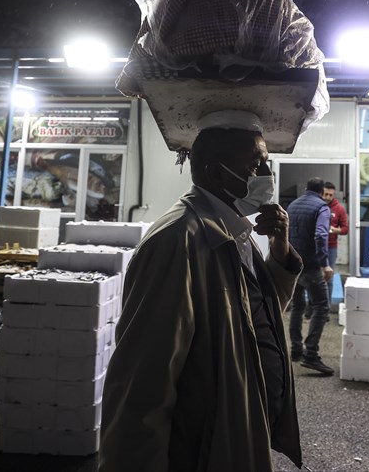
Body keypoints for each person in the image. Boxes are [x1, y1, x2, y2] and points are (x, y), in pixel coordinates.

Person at [100, 117, 303, 472]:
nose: (267, 174)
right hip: (202, 451)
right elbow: (142, 382)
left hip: (236, 430)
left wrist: (280, 248)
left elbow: (256, 317)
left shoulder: (234, 229)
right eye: (256, 164)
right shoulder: (177, 241)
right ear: (216, 173)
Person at [287, 177, 334, 375]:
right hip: (312, 266)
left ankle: (296, 350)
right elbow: (321, 235)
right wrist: (325, 264)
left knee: (297, 306)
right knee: (321, 306)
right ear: (322, 191)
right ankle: (311, 354)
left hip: (293, 263)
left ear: (306, 188)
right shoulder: (322, 207)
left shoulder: (292, 205)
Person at [323, 181, 348, 304]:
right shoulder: (318, 206)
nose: (328, 197)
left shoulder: (339, 209)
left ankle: (325, 308)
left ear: (334, 195)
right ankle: (313, 307)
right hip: (315, 247)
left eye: (330, 195)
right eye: (325, 194)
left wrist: (333, 230)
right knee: (315, 278)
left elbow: (345, 229)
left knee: (329, 277)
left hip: (331, 247)